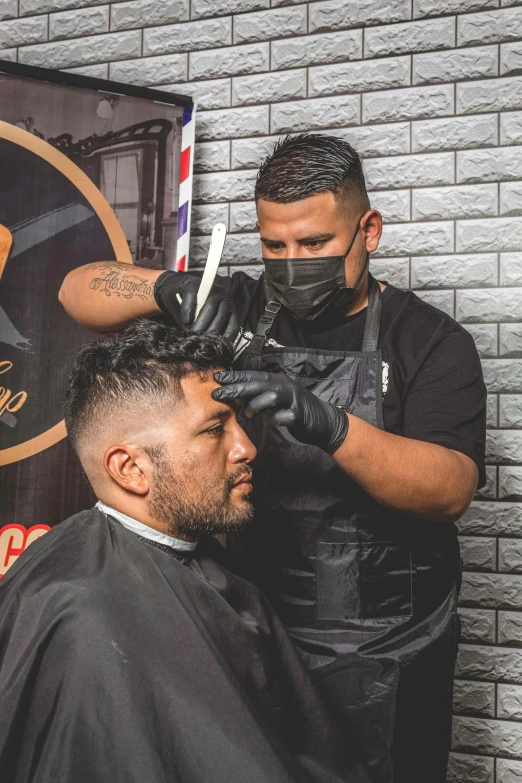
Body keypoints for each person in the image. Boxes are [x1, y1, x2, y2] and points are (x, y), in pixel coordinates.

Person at [58, 134, 487, 783]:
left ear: (367, 229)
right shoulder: (243, 308)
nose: (290, 263)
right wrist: (169, 288)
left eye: (313, 244)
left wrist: (328, 422)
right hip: (251, 626)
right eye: (274, 245)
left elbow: (448, 488)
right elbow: (74, 291)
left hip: (386, 653)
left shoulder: (429, 340)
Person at [0, 320, 371, 783]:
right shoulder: (83, 612)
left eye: (240, 422)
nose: (247, 447)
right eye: (216, 429)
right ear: (131, 468)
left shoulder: (205, 563)